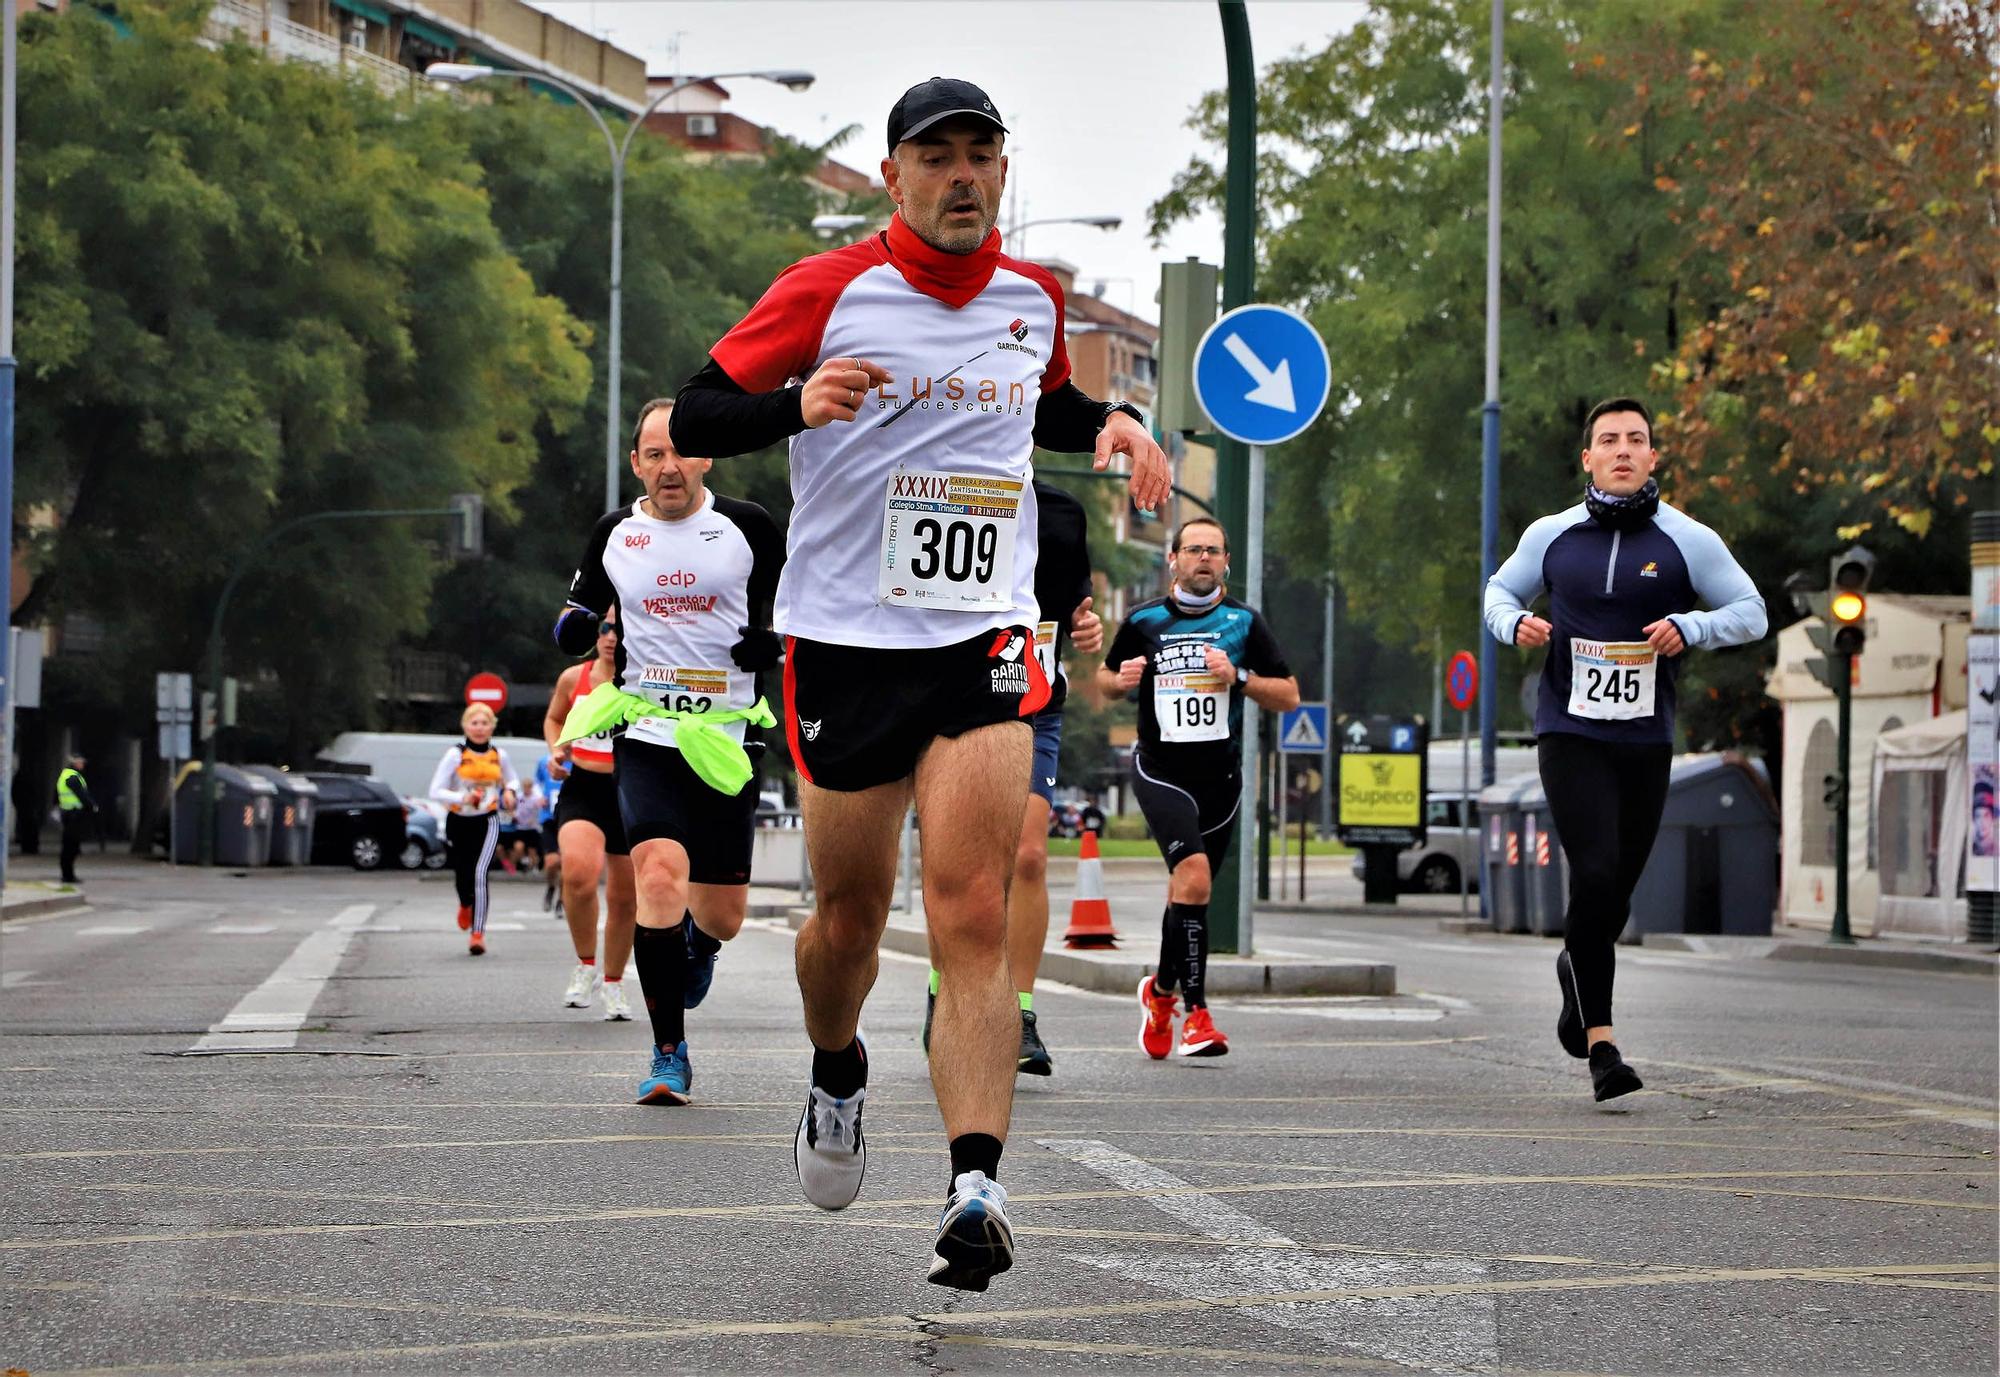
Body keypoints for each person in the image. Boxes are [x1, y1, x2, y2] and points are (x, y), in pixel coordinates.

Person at [670, 76, 1171, 1291]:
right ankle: (836, 1068)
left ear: (1003, 172)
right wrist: (798, 401)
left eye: (980, 155)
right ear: (894, 177)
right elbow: (696, 411)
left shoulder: (1030, 297)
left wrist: (1108, 421)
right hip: (844, 643)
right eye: (935, 156)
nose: (961, 176)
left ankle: (974, 1181)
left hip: (987, 637)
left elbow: (1041, 398)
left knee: (969, 906)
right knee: (845, 919)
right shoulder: (827, 289)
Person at [1485, 396, 1766, 1103]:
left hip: (1645, 738)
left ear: (1652, 457)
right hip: (1569, 730)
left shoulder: (1687, 539)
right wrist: (1514, 621)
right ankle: (1603, 1048)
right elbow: (1497, 590)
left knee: (1615, 891)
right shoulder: (1553, 534)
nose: (1621, 450)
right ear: (1587, 458)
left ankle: (1574, 969)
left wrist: (1690, 626)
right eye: (1607, 440)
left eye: (1635, 440)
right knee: (1598, 868)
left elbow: (1752, 611)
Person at [555, 398, 785, 1105]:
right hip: (648, 729)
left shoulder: (747, 528)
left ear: (705, 456)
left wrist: (770, 641)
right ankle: (668, 1053)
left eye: (681, 451)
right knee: (657, 877)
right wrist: (575, 625)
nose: (669, 466)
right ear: (637, 464)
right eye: (654, 454)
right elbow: (578, 608)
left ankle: (700, 945)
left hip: (725, 735)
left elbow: (798, 607)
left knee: (722, 914)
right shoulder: (616, 533)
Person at [1098, 516, 1299, 1060]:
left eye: (1214, 550)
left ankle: (1159, 993)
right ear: (1174, 560)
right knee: (1194, 877)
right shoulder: (1144, 621)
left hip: (1223, 779)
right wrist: (1120, 682)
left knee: (1187, 893)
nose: (1204, 559)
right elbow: (1103, 679)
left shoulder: (1243, 622)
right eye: (1194, 550)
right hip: (1161, 772)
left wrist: (1241, 678)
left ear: (1226, 561)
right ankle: (1198, 1015)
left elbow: (1289, 695)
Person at [922, 479, 1101, 1077]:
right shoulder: (933, 490)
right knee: (957, 860)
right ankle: (942, 986)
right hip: (951, 695)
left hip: (1034, 696)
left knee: (1027, 858)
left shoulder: (1062, 510)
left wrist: (1086, 629)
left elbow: (1077, 608)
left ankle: (1020, 1014)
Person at [543, 609, 638, 1022]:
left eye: (619, 629)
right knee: (578, 875)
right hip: (583, 787)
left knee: (624, 896)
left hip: (631, 790)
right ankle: (585, 964)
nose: (611, 636)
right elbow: (554, 718)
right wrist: (556, 749)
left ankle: (614, 984)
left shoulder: (644, 683)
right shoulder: (573, 678)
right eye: (604, 628)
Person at [427, 705, 520, 956]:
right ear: (465, 726)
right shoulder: (455, 755)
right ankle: (465, 903)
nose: (479, 728)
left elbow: (512, 780)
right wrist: (462, 797)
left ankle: (477, 935)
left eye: (484, 723)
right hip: (458, 820)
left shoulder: (500, 754)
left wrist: (510, 792)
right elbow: (435, 790)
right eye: (474, 723)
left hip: (487, 819)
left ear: (492, 726)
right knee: (462, 872)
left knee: (480, 873)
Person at [56, 753, 98, 885]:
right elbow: (82, 795)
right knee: (71, 847)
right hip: (73, 815)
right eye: (81, 762)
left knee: (70, 846)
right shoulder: (72, 777)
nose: (83, 764)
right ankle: (68, 875)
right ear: (75, 763)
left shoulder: (66, 775)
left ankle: (68, 875)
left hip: (68, 814)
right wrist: (93, 806)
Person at [534, 752, 565, 915]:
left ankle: (562, 901)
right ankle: (551, 888)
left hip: (569, 817)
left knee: (567, 865)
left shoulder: (577, 759)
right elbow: (536, 782)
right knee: (552, 862)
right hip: (549, 818)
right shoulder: (544, 760)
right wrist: (539, 797)